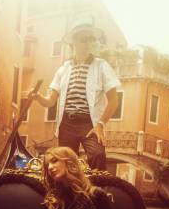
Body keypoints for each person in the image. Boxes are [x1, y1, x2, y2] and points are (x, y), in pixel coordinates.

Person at [28, 19, 121, 170]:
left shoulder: (101, 66)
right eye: (83, 39)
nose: (87, 42)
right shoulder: (63, 69)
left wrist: (100, 124)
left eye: (90, 39)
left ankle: (96, 192)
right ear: (74, 42)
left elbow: (114, 101)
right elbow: (50, 101)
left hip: (90, 124)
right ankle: (67, 193)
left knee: (97, 155)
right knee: (64, 163)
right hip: (67, 124)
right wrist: (38, 97)